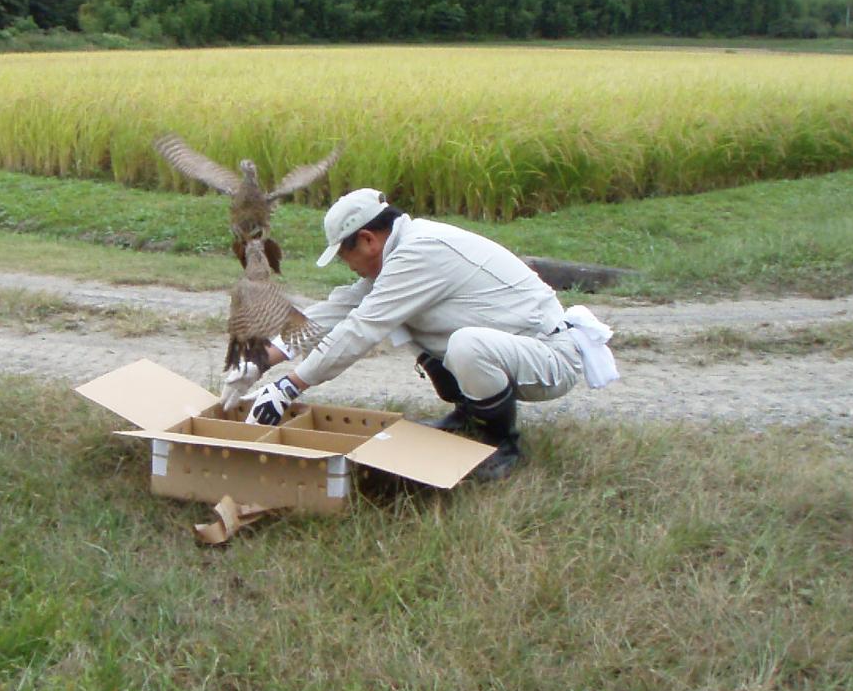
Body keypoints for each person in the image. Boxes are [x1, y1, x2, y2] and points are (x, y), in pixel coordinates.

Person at [225, 188, 618, 480]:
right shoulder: (398, 254)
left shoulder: (420, 252)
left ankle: (502, 444)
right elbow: (333, 312)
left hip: (550, 357)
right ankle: (468, 415)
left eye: (347, 257)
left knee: (466, 345)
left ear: (367, 239)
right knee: (422, 329)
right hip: (514, 349)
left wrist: (289, 387)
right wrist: (259, 362)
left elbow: (360, 329)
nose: (350, 268)